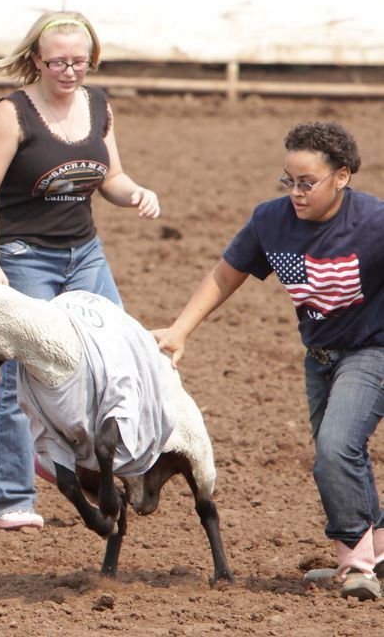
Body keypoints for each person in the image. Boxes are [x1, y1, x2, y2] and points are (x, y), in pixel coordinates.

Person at [152, 121, 384, 601]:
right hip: (319, 358)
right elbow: (226, 274)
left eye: (307, 183)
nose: (295, 193)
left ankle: (356, 565)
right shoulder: (270, 221)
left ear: (342, 177)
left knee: (335, 450)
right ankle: (375, 553)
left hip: (372, 351)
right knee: (341, 457)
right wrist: (179, 330)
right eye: (288, 181)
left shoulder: (374, 223)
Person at [0, 11, 161, 530]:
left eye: (79, 61)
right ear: (36, 59)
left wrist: (136, 193)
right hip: (24, 255)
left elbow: (111, 177)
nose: (69, 71)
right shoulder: (13, 114)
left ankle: (109, 471)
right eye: (57, 61)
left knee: (118, 362)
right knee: (23, 375)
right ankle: (11, 498)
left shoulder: (99, 105)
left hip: (85, 253)